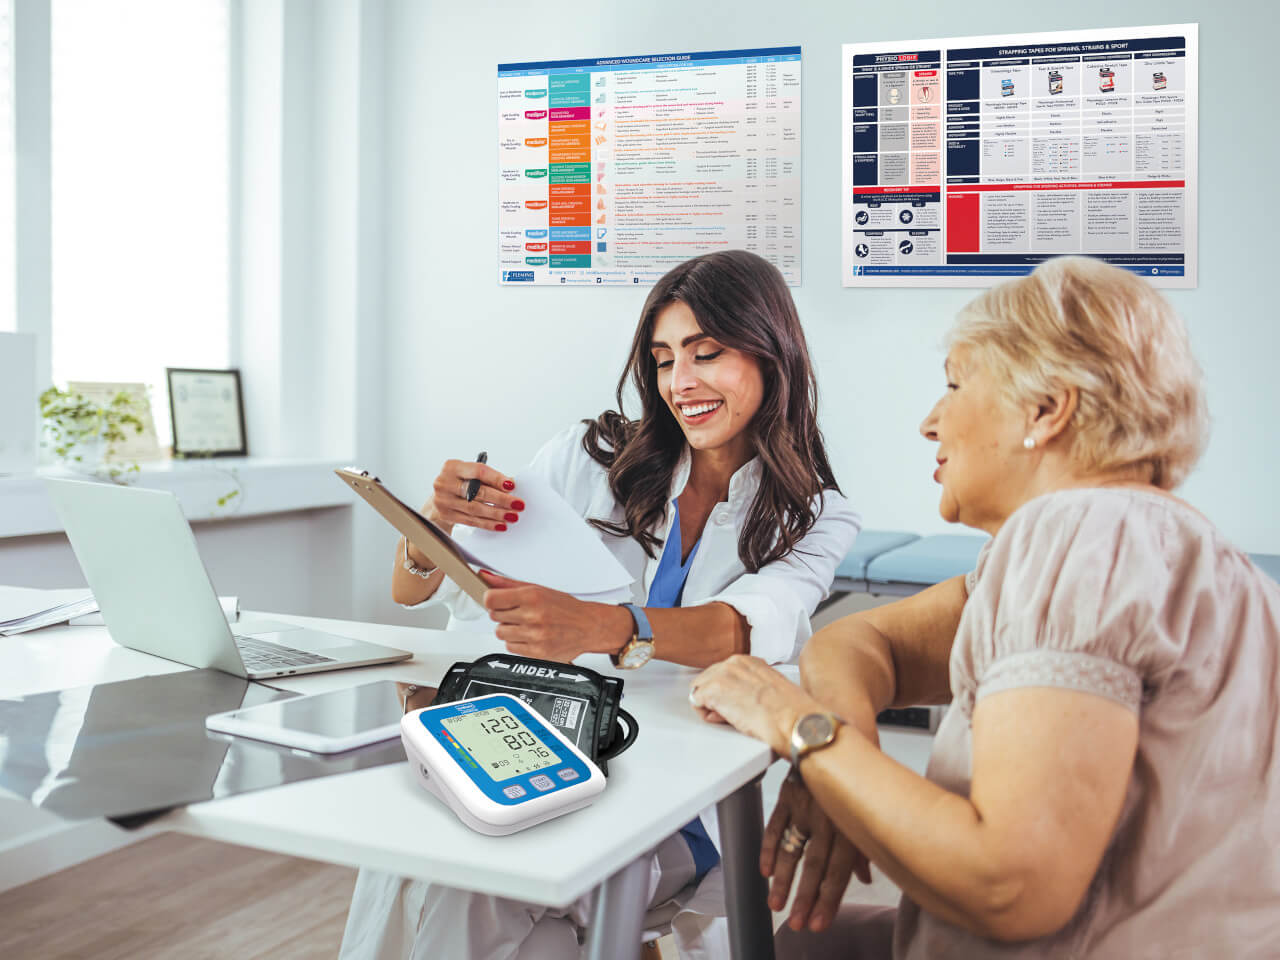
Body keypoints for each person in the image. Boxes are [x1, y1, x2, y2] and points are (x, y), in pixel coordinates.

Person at [690, 256, 1280, 958]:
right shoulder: (1174, 552)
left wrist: (800, 729)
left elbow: (1010, 886)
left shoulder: (1080, 536)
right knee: (803, 944)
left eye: (955, 384)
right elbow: (859, 643)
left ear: (1046, 408)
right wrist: (841, 762)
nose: (929, 422)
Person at [340, 249, 860, 959]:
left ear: (773, 355)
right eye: (664, 359)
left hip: (682, 791)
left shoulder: (816, 514)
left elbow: (742, 628)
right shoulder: (588, 456)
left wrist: (606, 629)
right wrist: (437, 529)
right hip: (544, 746)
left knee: (484, 882)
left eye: (707, 354)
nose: (682, 383)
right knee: (441, 862)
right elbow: (420, 593)